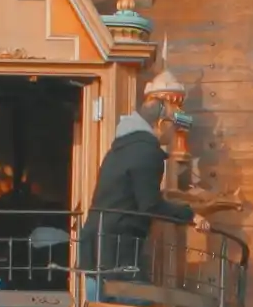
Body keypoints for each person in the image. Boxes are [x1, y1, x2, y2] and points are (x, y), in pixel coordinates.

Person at [79, 110, 191, 278]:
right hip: (118, 249)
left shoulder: (118, 150)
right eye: (174, 128)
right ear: (161, 124)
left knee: (97, 301)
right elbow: (150, 205)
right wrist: (189, 214)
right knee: (134, 301)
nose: (174, 135)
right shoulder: (146, 152)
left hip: (94, 245)